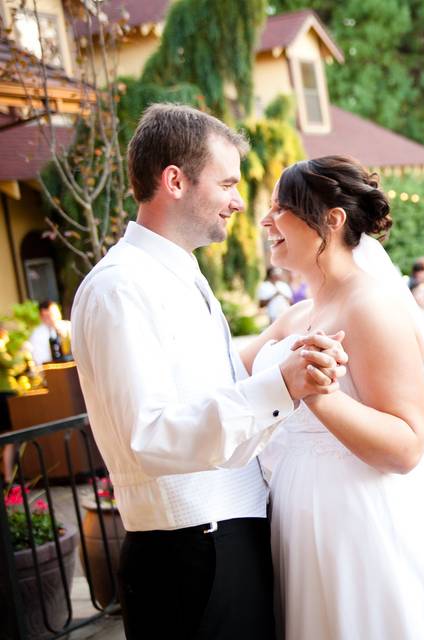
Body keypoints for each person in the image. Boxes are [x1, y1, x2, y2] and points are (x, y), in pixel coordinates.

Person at [70, 105, 347, 640]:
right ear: (174, 180)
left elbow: (202, 384)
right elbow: (150, 435)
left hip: (223, 542)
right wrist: (280, 384)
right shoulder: (121, 288)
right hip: (191, 555)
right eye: (226, 183)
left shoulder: (174, 273)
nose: (239, 201)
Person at [250, 156, 424, 638]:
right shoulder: (295, 315)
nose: (266, 221)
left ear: (332, 219)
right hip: (301, 524)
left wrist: (316, 396)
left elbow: (406, 446)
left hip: (363, 526)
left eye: (280, 208)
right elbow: (227, 376)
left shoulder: (372, 307)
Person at [27, 300, 72, 364]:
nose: (52, 318)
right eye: (47, 316)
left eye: (53, 314)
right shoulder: (36, 335)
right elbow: (39, 358)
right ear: (41, 317)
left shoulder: (69, 327)